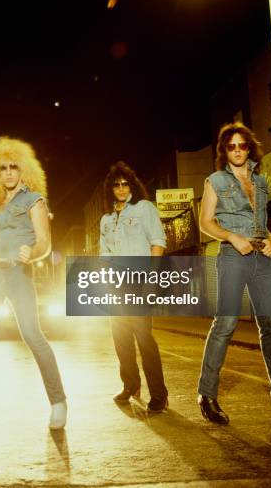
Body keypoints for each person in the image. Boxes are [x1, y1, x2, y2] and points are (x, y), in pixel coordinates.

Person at [0, 136, 67, 429]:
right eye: (3, 167)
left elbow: (45, 241)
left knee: (33, 335)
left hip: (19, 273)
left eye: (13, 167)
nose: (8, 172)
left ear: (23, 170)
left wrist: (33, 252)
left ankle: (58, 401)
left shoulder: (35, 201)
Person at [197, 122, 271, 423]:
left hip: (262, 260)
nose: (237, 150)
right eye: (231, 146)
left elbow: (260, 222)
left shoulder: (261, 182)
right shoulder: (215, 180)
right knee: (226, 323)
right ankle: (207, 395)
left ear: (249, 148)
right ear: (224, 150)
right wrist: (232, 237)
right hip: (233, 257)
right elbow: (205, 222)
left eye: (242, 145)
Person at [100, 161, 169, 413]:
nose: (120, 188)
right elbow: (104, 254)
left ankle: (160, 394)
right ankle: (130, 385)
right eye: (116, 184)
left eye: (125, 183)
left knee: (144, 338)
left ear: (132, 184)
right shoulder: (106, 219)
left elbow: (158, 242)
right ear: (110, 188)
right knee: (121, 340)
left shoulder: (143, 208)